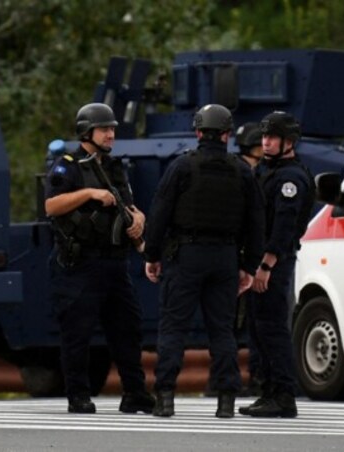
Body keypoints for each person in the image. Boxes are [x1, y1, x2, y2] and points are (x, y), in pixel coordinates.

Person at [144, 104, 264, 418]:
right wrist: (248, 266)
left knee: (173, 328)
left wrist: (152, 255)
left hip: (186, 256)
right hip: (225, 258)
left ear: (198, 132)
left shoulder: (182, 166)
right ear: (227, 134)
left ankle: (165, 397)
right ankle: (226, 400)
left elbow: (159, 213)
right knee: (222, 331)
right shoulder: (242, 170)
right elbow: (256, 223)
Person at [45, 102, 155, 414]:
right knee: (77, 332)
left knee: (128, 329)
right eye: (104, 129)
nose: (111, 134)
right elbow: (51, 206)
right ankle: (78, 395)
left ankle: (134, 392)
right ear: (86, 131)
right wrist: (90, 194)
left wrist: (139, 220)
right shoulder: (67, 165)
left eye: (112, 129)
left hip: (115, 263)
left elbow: (131, 206)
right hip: (81, 264)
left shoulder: (114, 167)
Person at [240, 111, 315, 418]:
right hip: (257, 261)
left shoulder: (290, 179)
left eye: (272, 138)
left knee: (272, 328)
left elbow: (284, 230)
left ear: (289, 142)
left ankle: (284, 394)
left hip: (273, 264)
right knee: (258, 328)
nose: (265, 142)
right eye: (264, 137)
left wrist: (266, 266)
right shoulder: (267, 171)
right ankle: (269, 390)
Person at [234, 121, 264, 396]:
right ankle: (251, 378)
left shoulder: (239, 171)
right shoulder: (248, 176)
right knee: (246, 321)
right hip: (243, 258)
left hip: (239, 256)